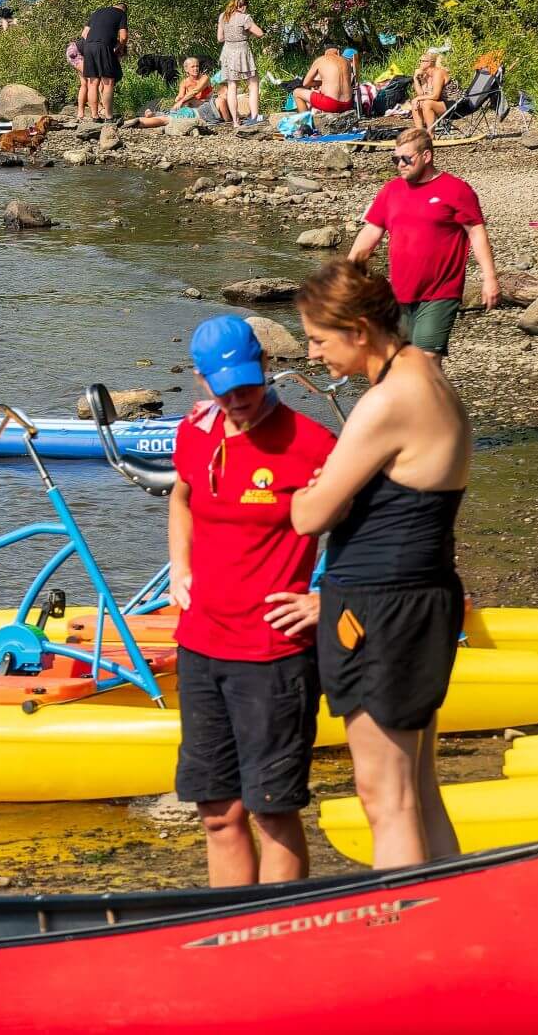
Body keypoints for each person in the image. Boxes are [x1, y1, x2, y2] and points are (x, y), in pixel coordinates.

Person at [290, 260, 470, 870]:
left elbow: (309, 516)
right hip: (425, 599)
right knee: (419, 788)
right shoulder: (426, 372)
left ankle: (412, 936)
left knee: (383, 796)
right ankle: (449, 918)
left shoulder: (388, 399)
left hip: (379, 610)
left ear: (360, 329)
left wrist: (306, 491)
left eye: (319, 339)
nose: (314, 355)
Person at [167, 317, 338, 887]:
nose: (239, 399)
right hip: (200, 646)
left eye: (248, 384)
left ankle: (279, 935)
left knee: (272, 809)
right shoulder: (194, 432)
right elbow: (183, 499)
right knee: (218, 812)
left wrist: (327, 598)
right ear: (200, 381)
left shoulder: (312, 444)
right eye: (225, 389)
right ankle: (229, 932)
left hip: (272, 655)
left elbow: (373, 527)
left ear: (265, 365)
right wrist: (181, 568)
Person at [346, 128, 498, 358]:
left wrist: (489, 278)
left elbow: (476, 233)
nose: (400, 164)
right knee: (401, 365)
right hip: (399, 294)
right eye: (395, 159)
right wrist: (346, 274)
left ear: (426, 156)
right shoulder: (391, 191)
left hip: (440, 292)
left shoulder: (456, 190)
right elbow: (370, 234)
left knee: (425, 361)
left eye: (406, 158)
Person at [78, 2, 128, 122]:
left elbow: (84, 34)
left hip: (88, 46)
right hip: (104, 46)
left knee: (92, 83)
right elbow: (124, 37)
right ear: (124, 9)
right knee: (108, 82)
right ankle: (109, 116)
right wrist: (119, 47)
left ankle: (94, 116)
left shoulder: (97, 12)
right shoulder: (121, 13)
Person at [216, 0, 264, 118]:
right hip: (242, 52)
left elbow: (220, 38)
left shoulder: (223, 16)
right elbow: (260, 33)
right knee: (253, 84)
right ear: (243, 6)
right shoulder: (245, 18)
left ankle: (235, 121)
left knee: (232, 86)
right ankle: (254, 117)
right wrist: (247, 34)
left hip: (227, 52)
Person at [292, 45, 354, 116]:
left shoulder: (321, 60)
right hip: (348, 104)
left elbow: (305, 83)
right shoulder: (346, 62)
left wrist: (320, 83)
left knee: (297, 92)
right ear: (338, 52)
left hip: (331, 104)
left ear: (325, 53)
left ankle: (305, 124)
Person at [406, 51, 452, 132]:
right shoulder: (427, 75)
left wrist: (417, 98)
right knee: (416, 103)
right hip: (441, 103)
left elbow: (435, 96)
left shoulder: (438, 73)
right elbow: (421, 94)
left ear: (430, 63)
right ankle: (420, 133)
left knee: (427, 103)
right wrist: (415, 78)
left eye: (422, 61)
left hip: (454, 103)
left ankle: (430, 135)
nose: (419, 63)